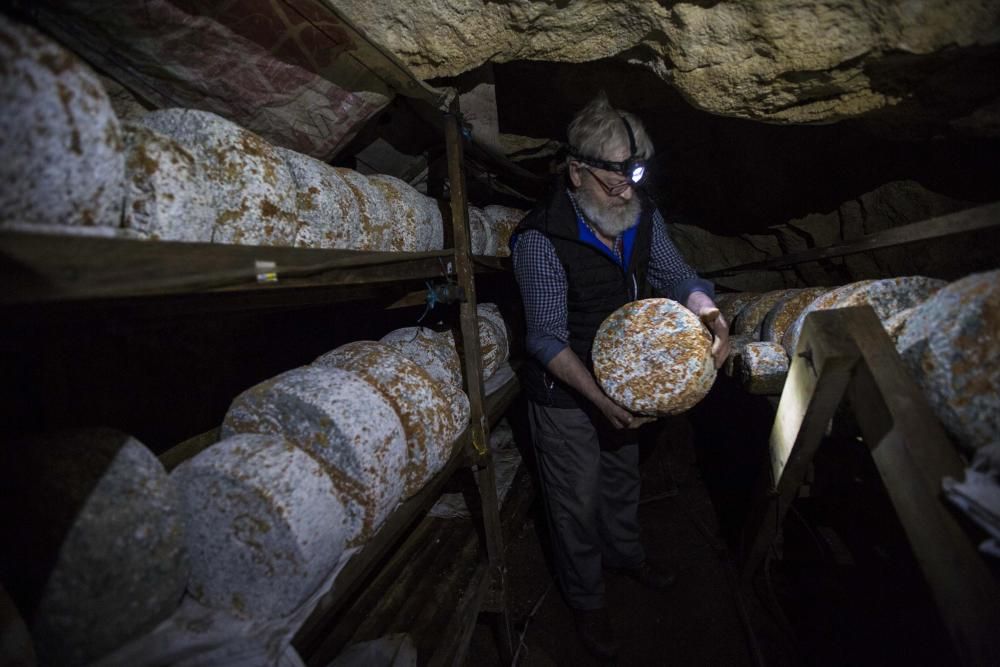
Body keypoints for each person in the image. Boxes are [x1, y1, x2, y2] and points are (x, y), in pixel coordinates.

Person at [510, 92, 729, 660]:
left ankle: (627, 556)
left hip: (623, 379)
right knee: (574, 501)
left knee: (621, 477)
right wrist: (598, 399)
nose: (628, 187)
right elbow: (545, 336)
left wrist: (707, 310)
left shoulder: (637, 214)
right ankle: (587, 600)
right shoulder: (541, 238)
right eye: (615, 176)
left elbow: (677, 274)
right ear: (577, 172)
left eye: (636, 171)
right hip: (565, 391)